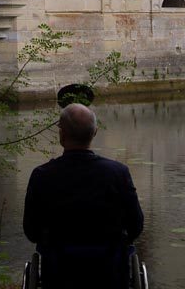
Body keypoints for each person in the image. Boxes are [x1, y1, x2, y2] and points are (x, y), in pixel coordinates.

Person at [23, 103, 144, 289]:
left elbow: (31, 231)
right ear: (94, 133)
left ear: (61, 135)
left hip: (60, 271)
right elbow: (136, 226)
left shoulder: (42, 176)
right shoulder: (118, 173)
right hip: (109, 271)